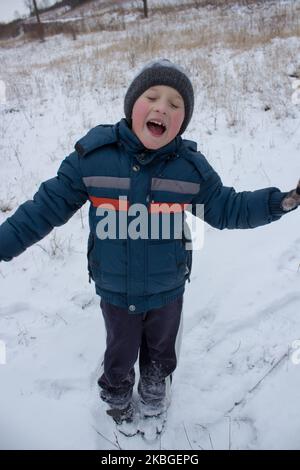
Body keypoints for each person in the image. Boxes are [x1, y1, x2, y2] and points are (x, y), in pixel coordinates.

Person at [0, 59, 299, 430]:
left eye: (176, 105)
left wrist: (282, 201)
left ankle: (155, 395)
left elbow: (227, 208)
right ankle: (117, 397)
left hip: (166, 289)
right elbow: (43, 209)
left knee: (160, 353)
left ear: (181, 122)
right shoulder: (94, 159)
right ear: (132, 106)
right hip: (114, 287)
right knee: (120, 351)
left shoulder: (189, 169)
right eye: (152, 97)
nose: (162, 107)